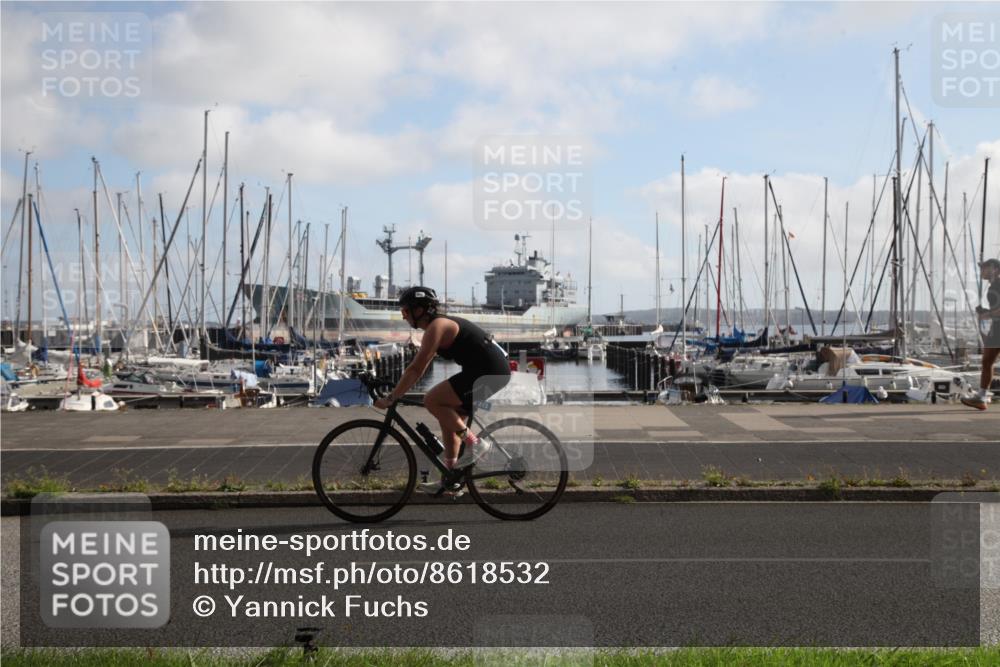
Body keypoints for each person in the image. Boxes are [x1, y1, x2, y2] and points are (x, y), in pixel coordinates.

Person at [374, 286, 511, 492]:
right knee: (449, 417)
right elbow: (416, 369)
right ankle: (451, 477)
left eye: (404, 311)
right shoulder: (436, 326)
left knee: (432, 400)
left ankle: (475, 444)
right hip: (486, 370)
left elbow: (417, 369)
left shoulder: (437, 327)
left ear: (419, 310)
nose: (404, 317)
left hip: (489, 371)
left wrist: (392, 397)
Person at [962, 258, 1000, 411]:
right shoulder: (993, 286)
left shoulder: (998, 285)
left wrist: (988, 314)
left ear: (995, 269)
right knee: (987, 361)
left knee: (987, 361)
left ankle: (982, 397)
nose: (982, 270)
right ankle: (981, 397)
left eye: (985, 267)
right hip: (996, 327)